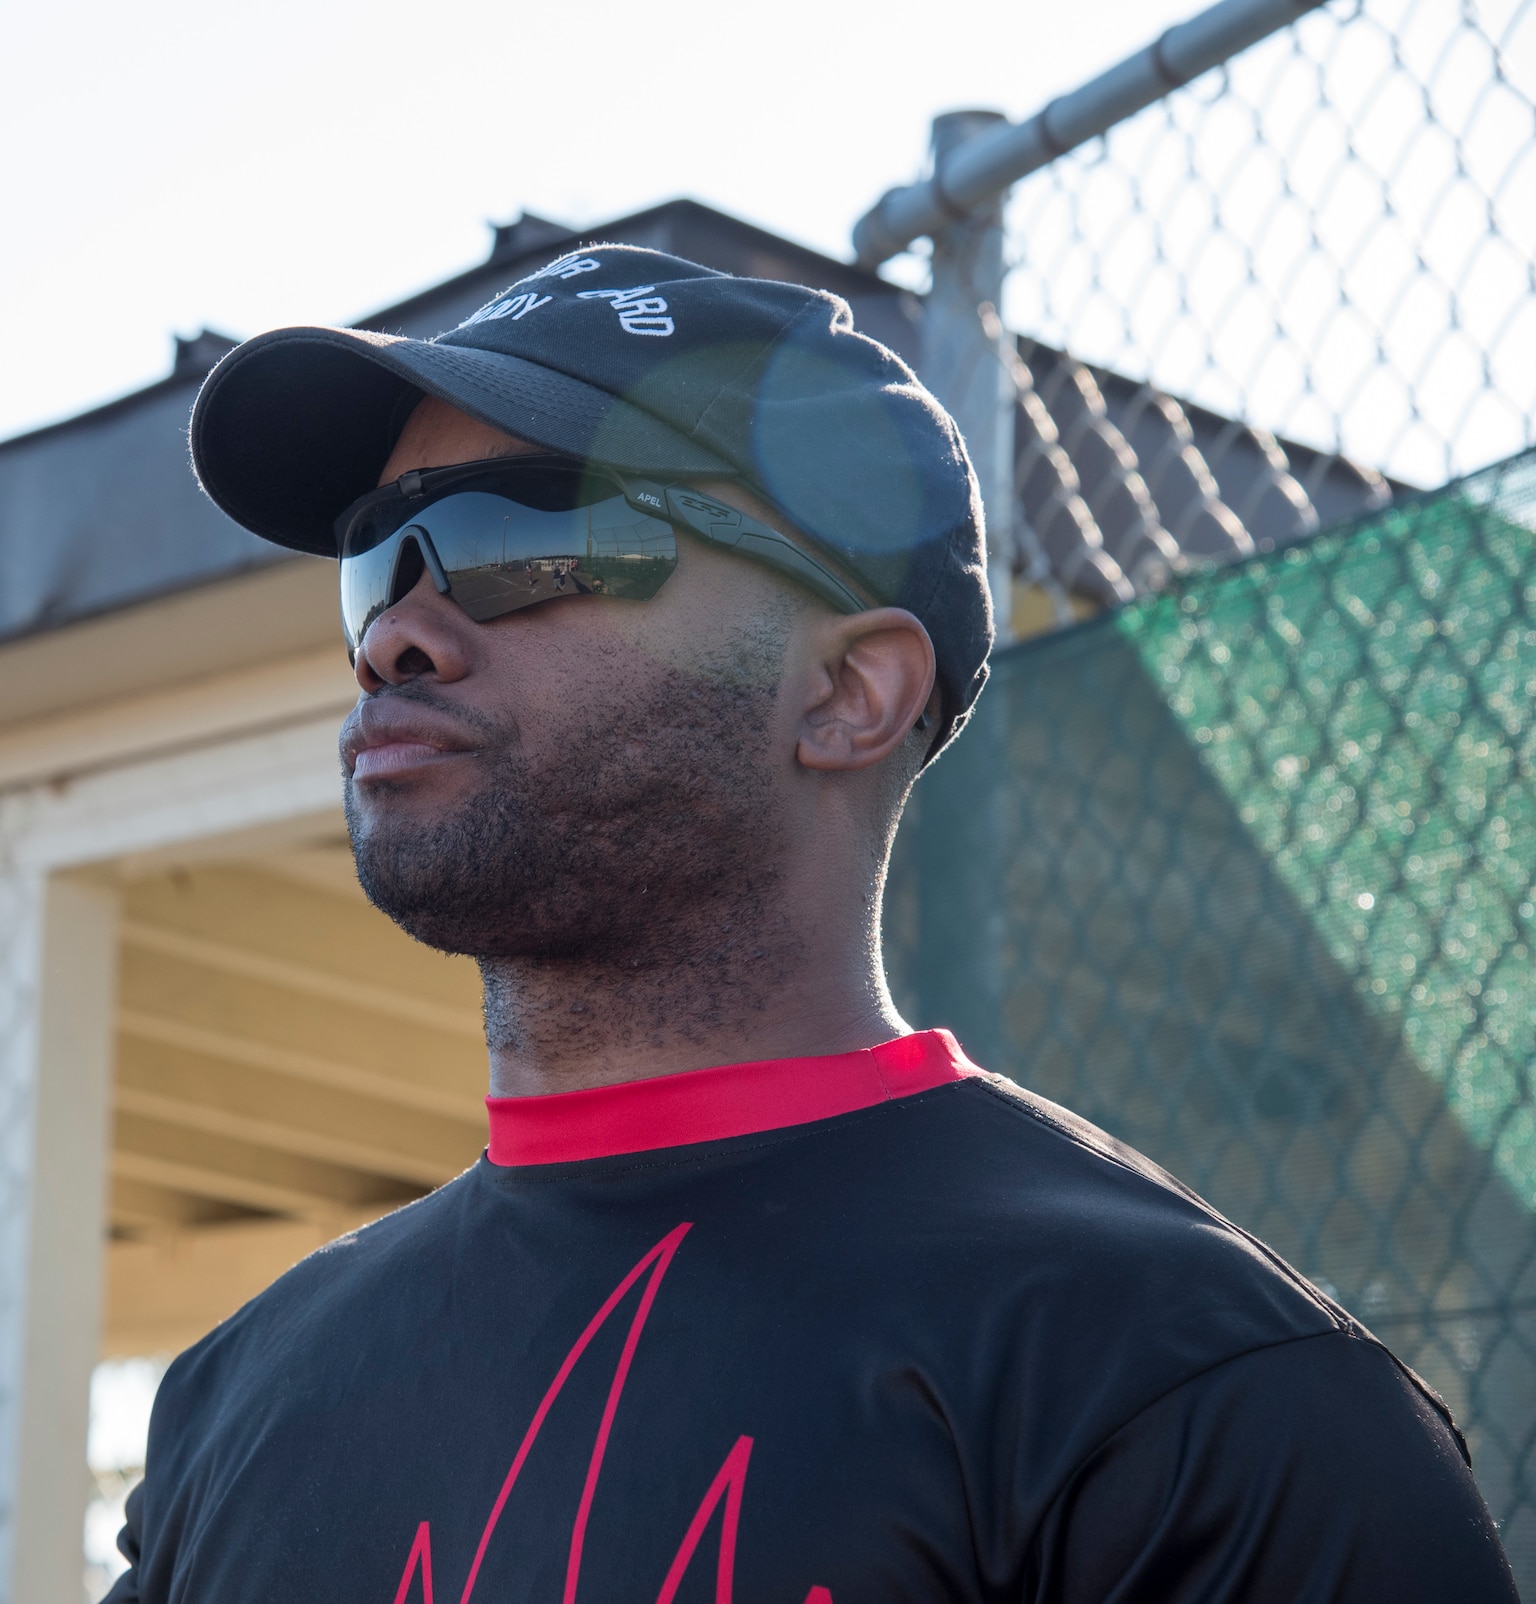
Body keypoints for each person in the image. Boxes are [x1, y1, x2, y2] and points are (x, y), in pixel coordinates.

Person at [103, 245, 1516, 1601]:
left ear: (848, 695)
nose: (394, 635)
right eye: (379, 557)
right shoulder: (241, 1389)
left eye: (523, 535)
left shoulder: (1182, 1392)